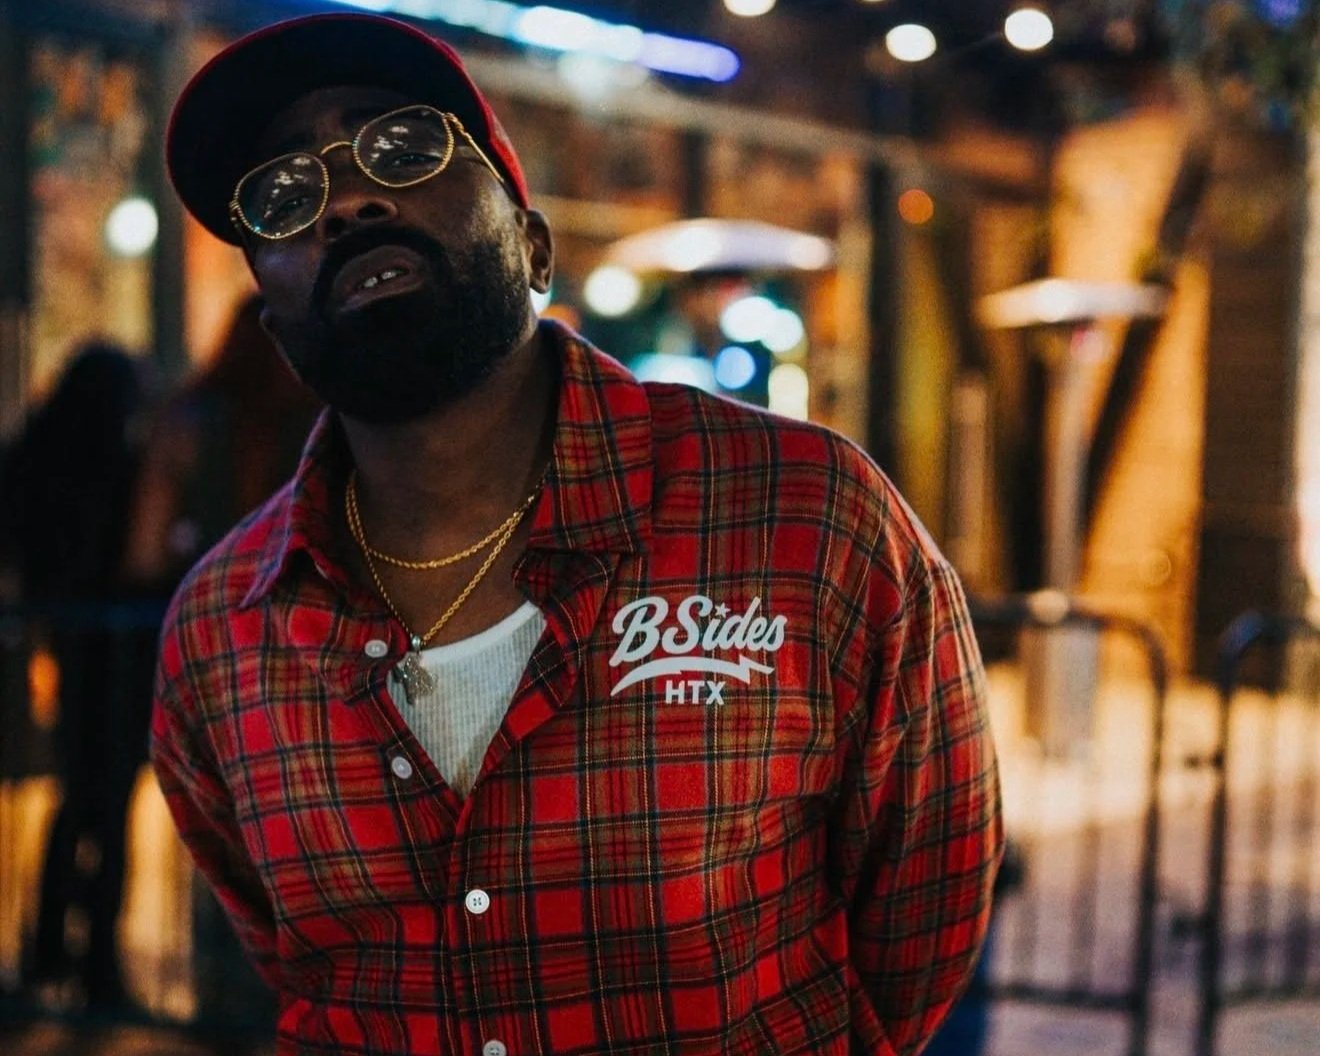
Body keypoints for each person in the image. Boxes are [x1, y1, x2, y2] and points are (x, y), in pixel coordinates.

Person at [151, 13, 1003, 1055]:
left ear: (533, 243)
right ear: (275, 329)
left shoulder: (805, 516)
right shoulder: (221, 631)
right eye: (283, 198)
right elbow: (296, 966)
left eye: (404, 148)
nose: (349, 199)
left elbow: (924, 910)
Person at [0, 341, 150, 1009]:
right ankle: (93, 963)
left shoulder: (36, 456)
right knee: (104, 803)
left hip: (71, 644)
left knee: (78, 800)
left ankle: (51, 950)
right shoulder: (115, 465)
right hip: (108, 654)